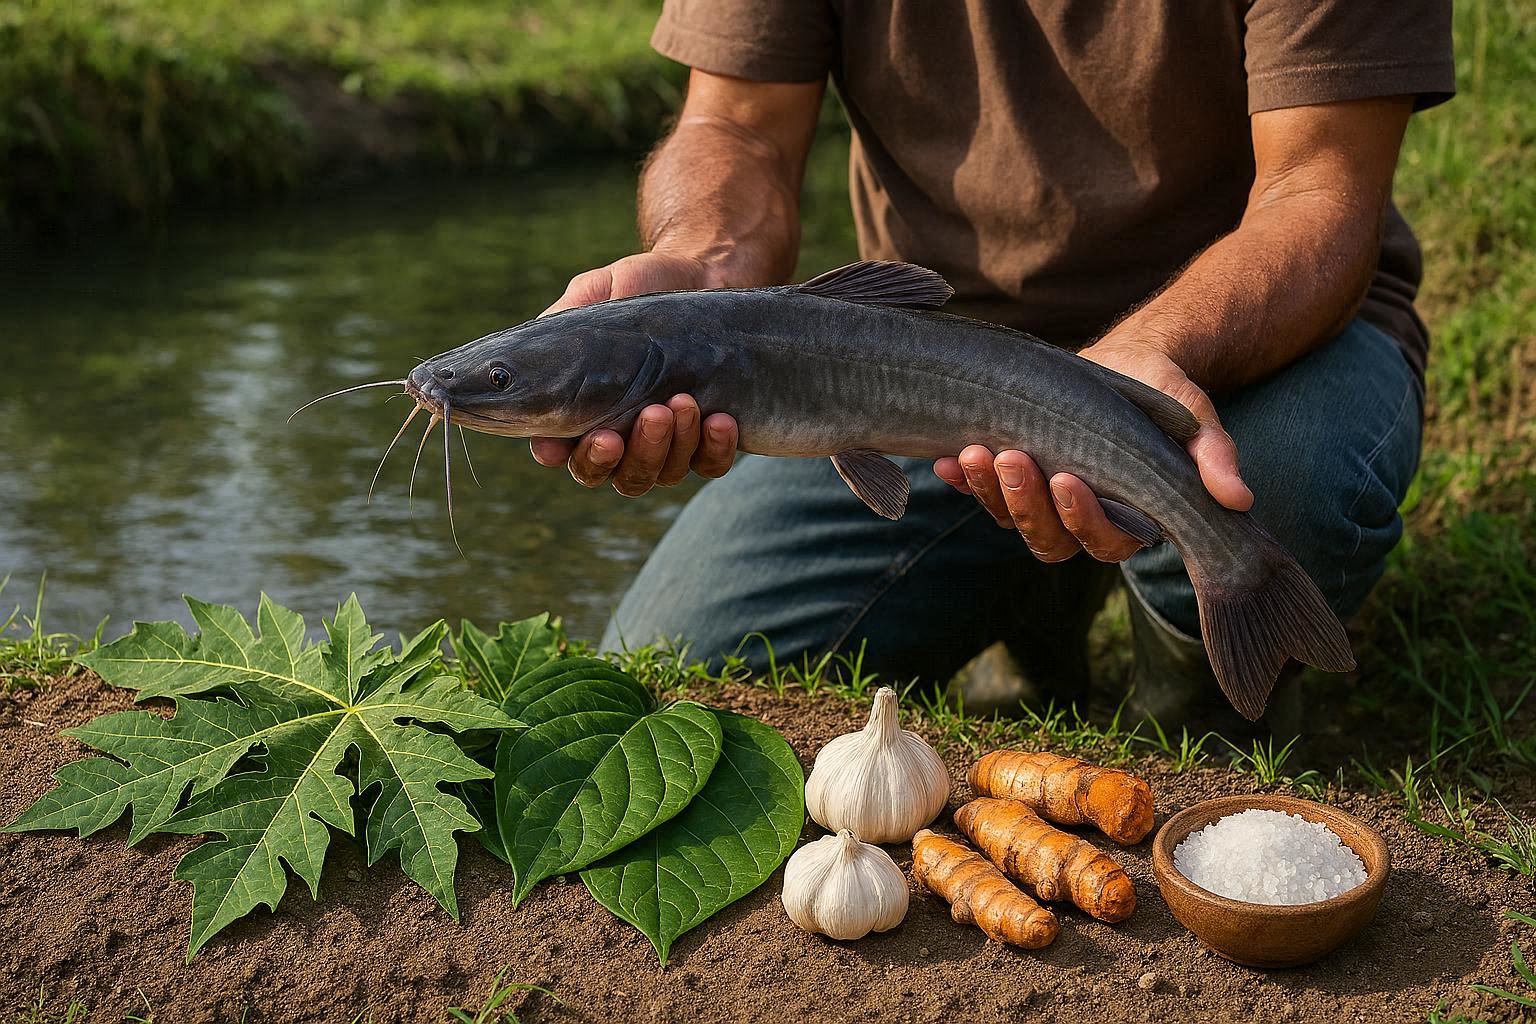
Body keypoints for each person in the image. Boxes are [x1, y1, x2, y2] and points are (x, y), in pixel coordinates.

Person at [533, 1, 1455, 719]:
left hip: (1245, 353)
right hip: (906, 373)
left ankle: (1208, 724)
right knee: (673, 667)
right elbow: (736, 125)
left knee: (1278, 488)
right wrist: (704, 265)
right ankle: (1027, 611)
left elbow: (1319, 191)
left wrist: (1140, 358)